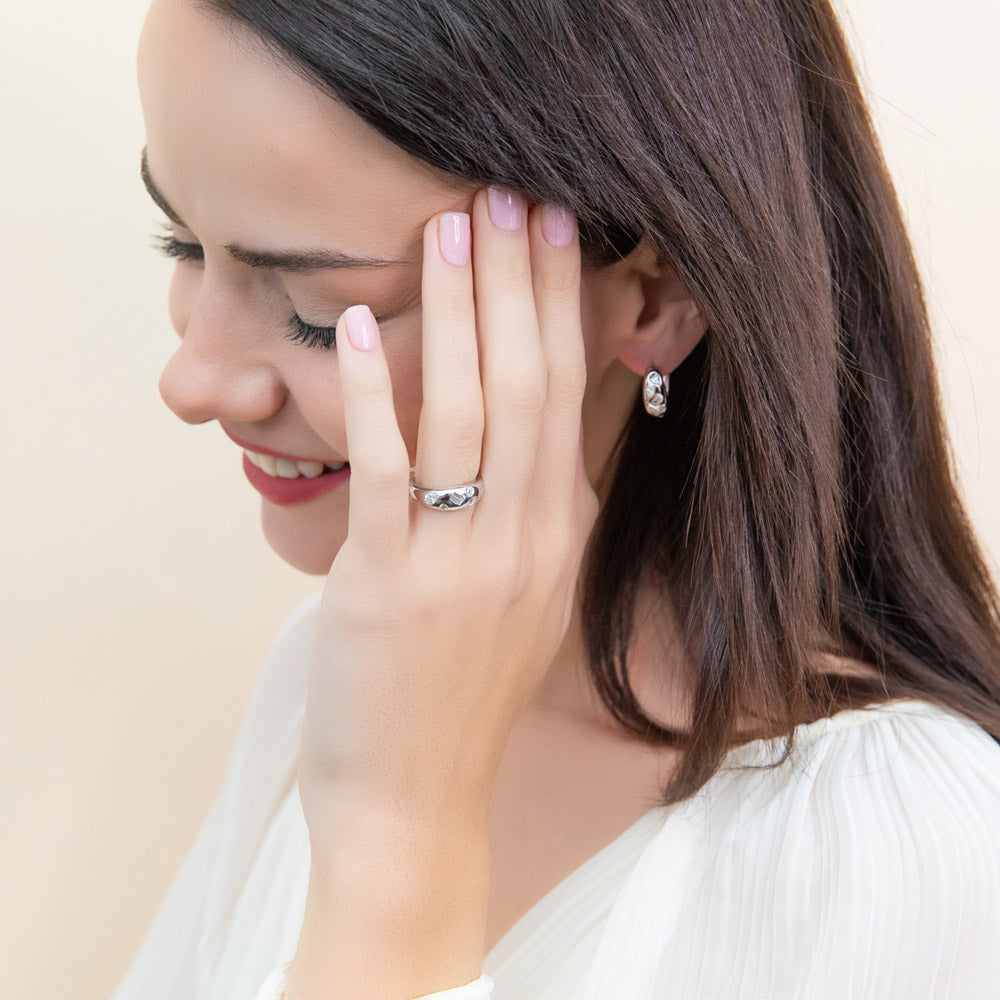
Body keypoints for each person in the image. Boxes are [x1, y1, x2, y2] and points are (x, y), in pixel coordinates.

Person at [115, 0, 1000, 997]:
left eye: (323, 311)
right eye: (182, 245)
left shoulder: (904, 850)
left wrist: (400, 854)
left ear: (655, 296)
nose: (191, 380)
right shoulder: (342, 667)